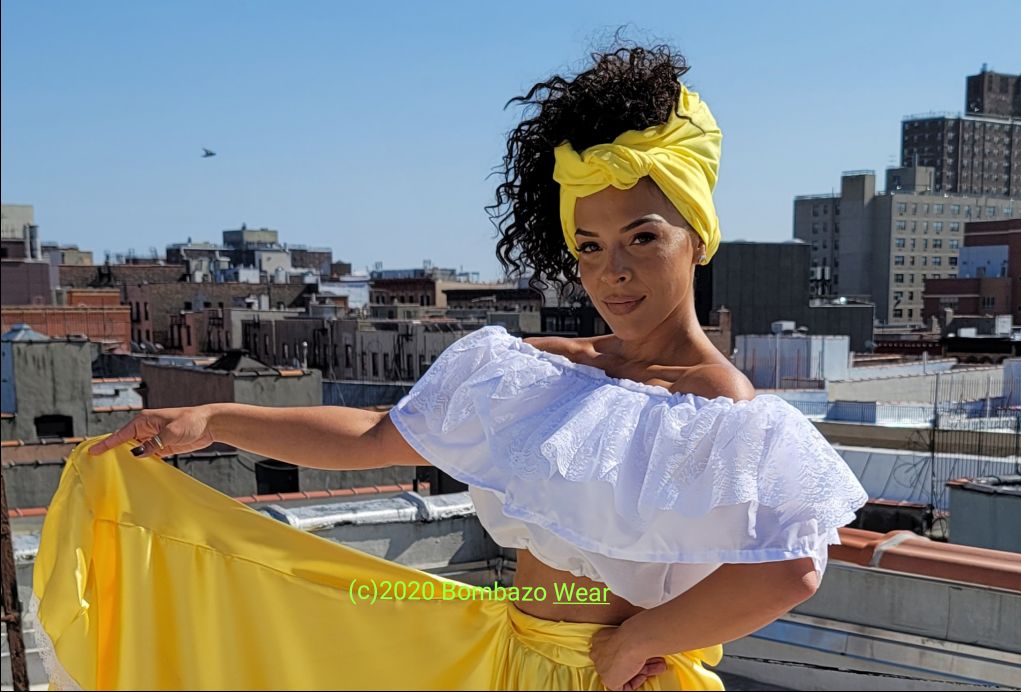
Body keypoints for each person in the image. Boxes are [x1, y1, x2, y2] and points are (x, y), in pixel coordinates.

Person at [30, 41, 867, 691]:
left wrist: (643, 640)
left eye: (643, 238)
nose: (613, 272)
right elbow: (377, 434)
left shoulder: (716, 401)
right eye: (590, 246)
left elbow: (790, 566)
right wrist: (214, 421)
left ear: (697, 236)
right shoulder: (542, 368)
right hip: (509, 652)